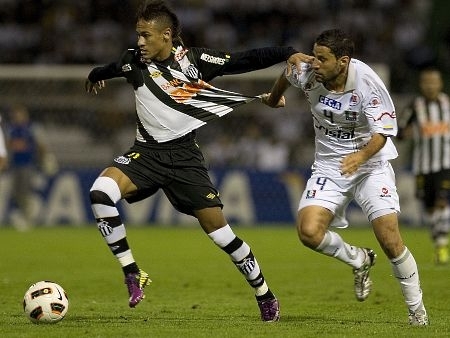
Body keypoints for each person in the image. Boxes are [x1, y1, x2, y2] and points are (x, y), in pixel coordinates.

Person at [84, 0, 310, 322]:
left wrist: (287, 52)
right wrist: (95, 75)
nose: (139, 42)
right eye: (138, 35)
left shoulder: (195, 61)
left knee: (221, 234)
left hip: (185, 159)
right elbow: (109, 68)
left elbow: (241, 60)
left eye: (146, 36)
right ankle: (132, 273)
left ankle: (264, 293)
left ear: (166, 35)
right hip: (145, 154)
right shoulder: (132, 62)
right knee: (100, 192)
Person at [261, 29, 428, 326]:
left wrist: (360, 157)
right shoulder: (310, 71)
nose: (315, 63)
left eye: (322, 59)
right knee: (309, 232)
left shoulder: (368, 84)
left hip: (370, 165)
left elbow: (384, 134)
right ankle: (359, 259)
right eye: (314, 56)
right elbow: (288, 72)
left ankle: (417, 311)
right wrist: (274, 98)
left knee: (390, 239)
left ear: (343, 61)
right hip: (328, 166)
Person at [398, 67, 450, 265]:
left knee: (442, 202)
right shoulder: (415, 106)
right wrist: (405, 133)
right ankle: (439, 240)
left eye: (433, 82)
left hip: (445, 164)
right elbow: (400, 131)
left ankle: (442, 244)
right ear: (422, 85)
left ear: (440, 84)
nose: (430, 86)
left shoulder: (447, 104)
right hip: (422, 166)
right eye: (426, 82)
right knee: (429, 210)